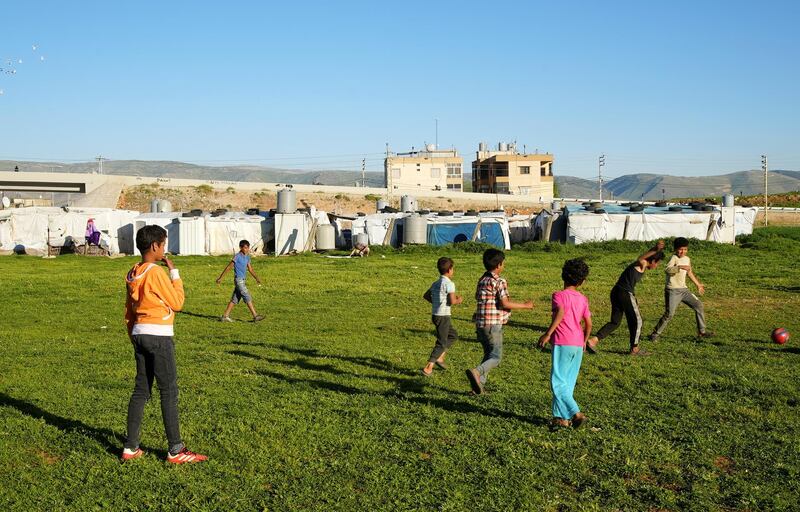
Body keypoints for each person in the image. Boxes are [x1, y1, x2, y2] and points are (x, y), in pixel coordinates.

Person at [122, 225, 207, 464]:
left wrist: (135, 337)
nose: (165, 250)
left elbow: (129, 312)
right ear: (154, 246)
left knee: (141, 391)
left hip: (139, 333)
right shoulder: (155, 273)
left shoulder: (132, 272)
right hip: (158, 335)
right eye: (163, 245)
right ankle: (176, 450)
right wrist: (175, 274)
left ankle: (131, 447)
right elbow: (177, 302)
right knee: (168, 391)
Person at [466, 248, 533, 395]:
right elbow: (505, 303)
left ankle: (478, 387)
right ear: (499, 265)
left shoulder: (482, 280)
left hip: (481, 324)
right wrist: (525, 306)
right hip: (493, 325)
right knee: (496, 357)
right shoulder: (499, 281)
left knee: (488, 355)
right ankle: (477, 372)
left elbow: (479, 299)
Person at [538, 259, 592, 430]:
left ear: (563, 276)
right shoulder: (583, 299)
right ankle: (561, 418)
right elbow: (589, 323)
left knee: (558, 382)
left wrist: (548, 333)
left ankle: (576, 413)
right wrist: (584, 340)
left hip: (562, 342)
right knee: (567, 382)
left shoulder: (558, 295)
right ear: (582, 281)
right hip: (578, 343)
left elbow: (560, 312)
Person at [587, 241, 665, 356]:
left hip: (616, 291)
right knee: (638, 321)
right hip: (624, 293)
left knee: (615, 322)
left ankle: (592, 341)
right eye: (657, 263)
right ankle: (635, 349)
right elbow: (642, 257)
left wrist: (657, 249)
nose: (656, 266)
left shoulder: (642, 265)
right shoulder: (642, 263)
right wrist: (655, 250)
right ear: (653, 261)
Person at [649, 237, 714, 341]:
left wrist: (698, 284)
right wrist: (679, 267)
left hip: (684, 290)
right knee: (669, 314)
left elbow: (689, 272)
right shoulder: (674, 258)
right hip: (673, 291)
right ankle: (655, 334)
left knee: (699, 305)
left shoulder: (687, 259)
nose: (683, 251)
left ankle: (702, 332)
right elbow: (667, 270)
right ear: (675, 249)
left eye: (685, 249)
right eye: (680, 249)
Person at [421, 257, 463, 377]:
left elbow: (426, 295)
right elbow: (452, 301)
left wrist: (436, 303)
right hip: (443, 316)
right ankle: (429, 367)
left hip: (436, 315)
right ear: (449, 270)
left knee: (453, 335)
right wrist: (458, 300)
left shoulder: (436, 283)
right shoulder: (449, 284)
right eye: (453, 268)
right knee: (441, 342)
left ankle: (440, 357)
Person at [216, 240, 265, 322]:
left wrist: (256, 278)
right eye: (245, 248)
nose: (247, 249)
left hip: (243, 280)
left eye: (248, 247)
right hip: (238, 280)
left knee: (235, 299)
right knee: (247, 296)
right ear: (241, 248)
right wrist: (220, 278)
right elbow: (229, 267)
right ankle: (255, 316)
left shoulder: (247, 257)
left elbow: (250, 269)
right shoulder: (237, 256)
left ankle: (225, 316)